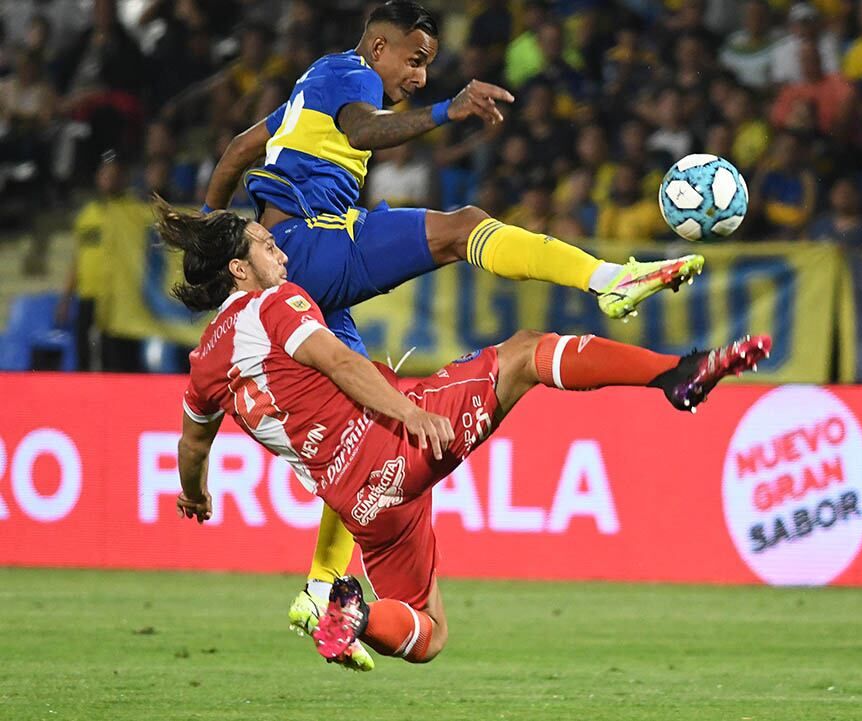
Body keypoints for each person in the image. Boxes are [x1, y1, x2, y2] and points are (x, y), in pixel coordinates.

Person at [200, 0, 705, 671]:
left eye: (427, 69)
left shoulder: (306, 92)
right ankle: (607, 278)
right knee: (462, 227)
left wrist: (213, 231)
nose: (418, 77)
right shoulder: (348, 76)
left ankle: (323, 592)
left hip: (295, 269)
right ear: (378, 47)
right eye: (414, 60)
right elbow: (361, 131)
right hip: (308, 244)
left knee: (365, 417)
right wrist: (446, 112)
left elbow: (237, 150)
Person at [164, 200, 770, 670]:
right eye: (269, 247)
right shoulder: (272, 305)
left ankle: (356, 615)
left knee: (426, 634)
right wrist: (409, 416)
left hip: (360, 502)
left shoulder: (205, 363)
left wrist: (194, 494)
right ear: (240, 269)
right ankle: (676, 374)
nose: (284, 257)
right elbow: (343, 364)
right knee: (527, 353)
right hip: (392, 441)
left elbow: (193, 447)